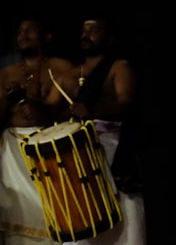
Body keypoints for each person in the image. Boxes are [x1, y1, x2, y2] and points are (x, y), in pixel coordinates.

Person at [0, 17, 76, 245]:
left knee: (58, 220)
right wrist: (8, 99)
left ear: (47, 37)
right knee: (19, 232)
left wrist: (38, 107)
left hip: (52, 152)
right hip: (15, 155)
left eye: (30, 30)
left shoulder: (62, 68)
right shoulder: (7, 74)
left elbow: (72, 111)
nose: (22, 35)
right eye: (20, 31)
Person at [59, 16, 145, 245]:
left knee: (124, 226)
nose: (85, 35)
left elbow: (126, 104)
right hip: (80, 155)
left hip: (114, 151)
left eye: (94, 30)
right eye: (83, 30)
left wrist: (91, 110)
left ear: (110, 37)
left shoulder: (119, 67)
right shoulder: (69, 74)